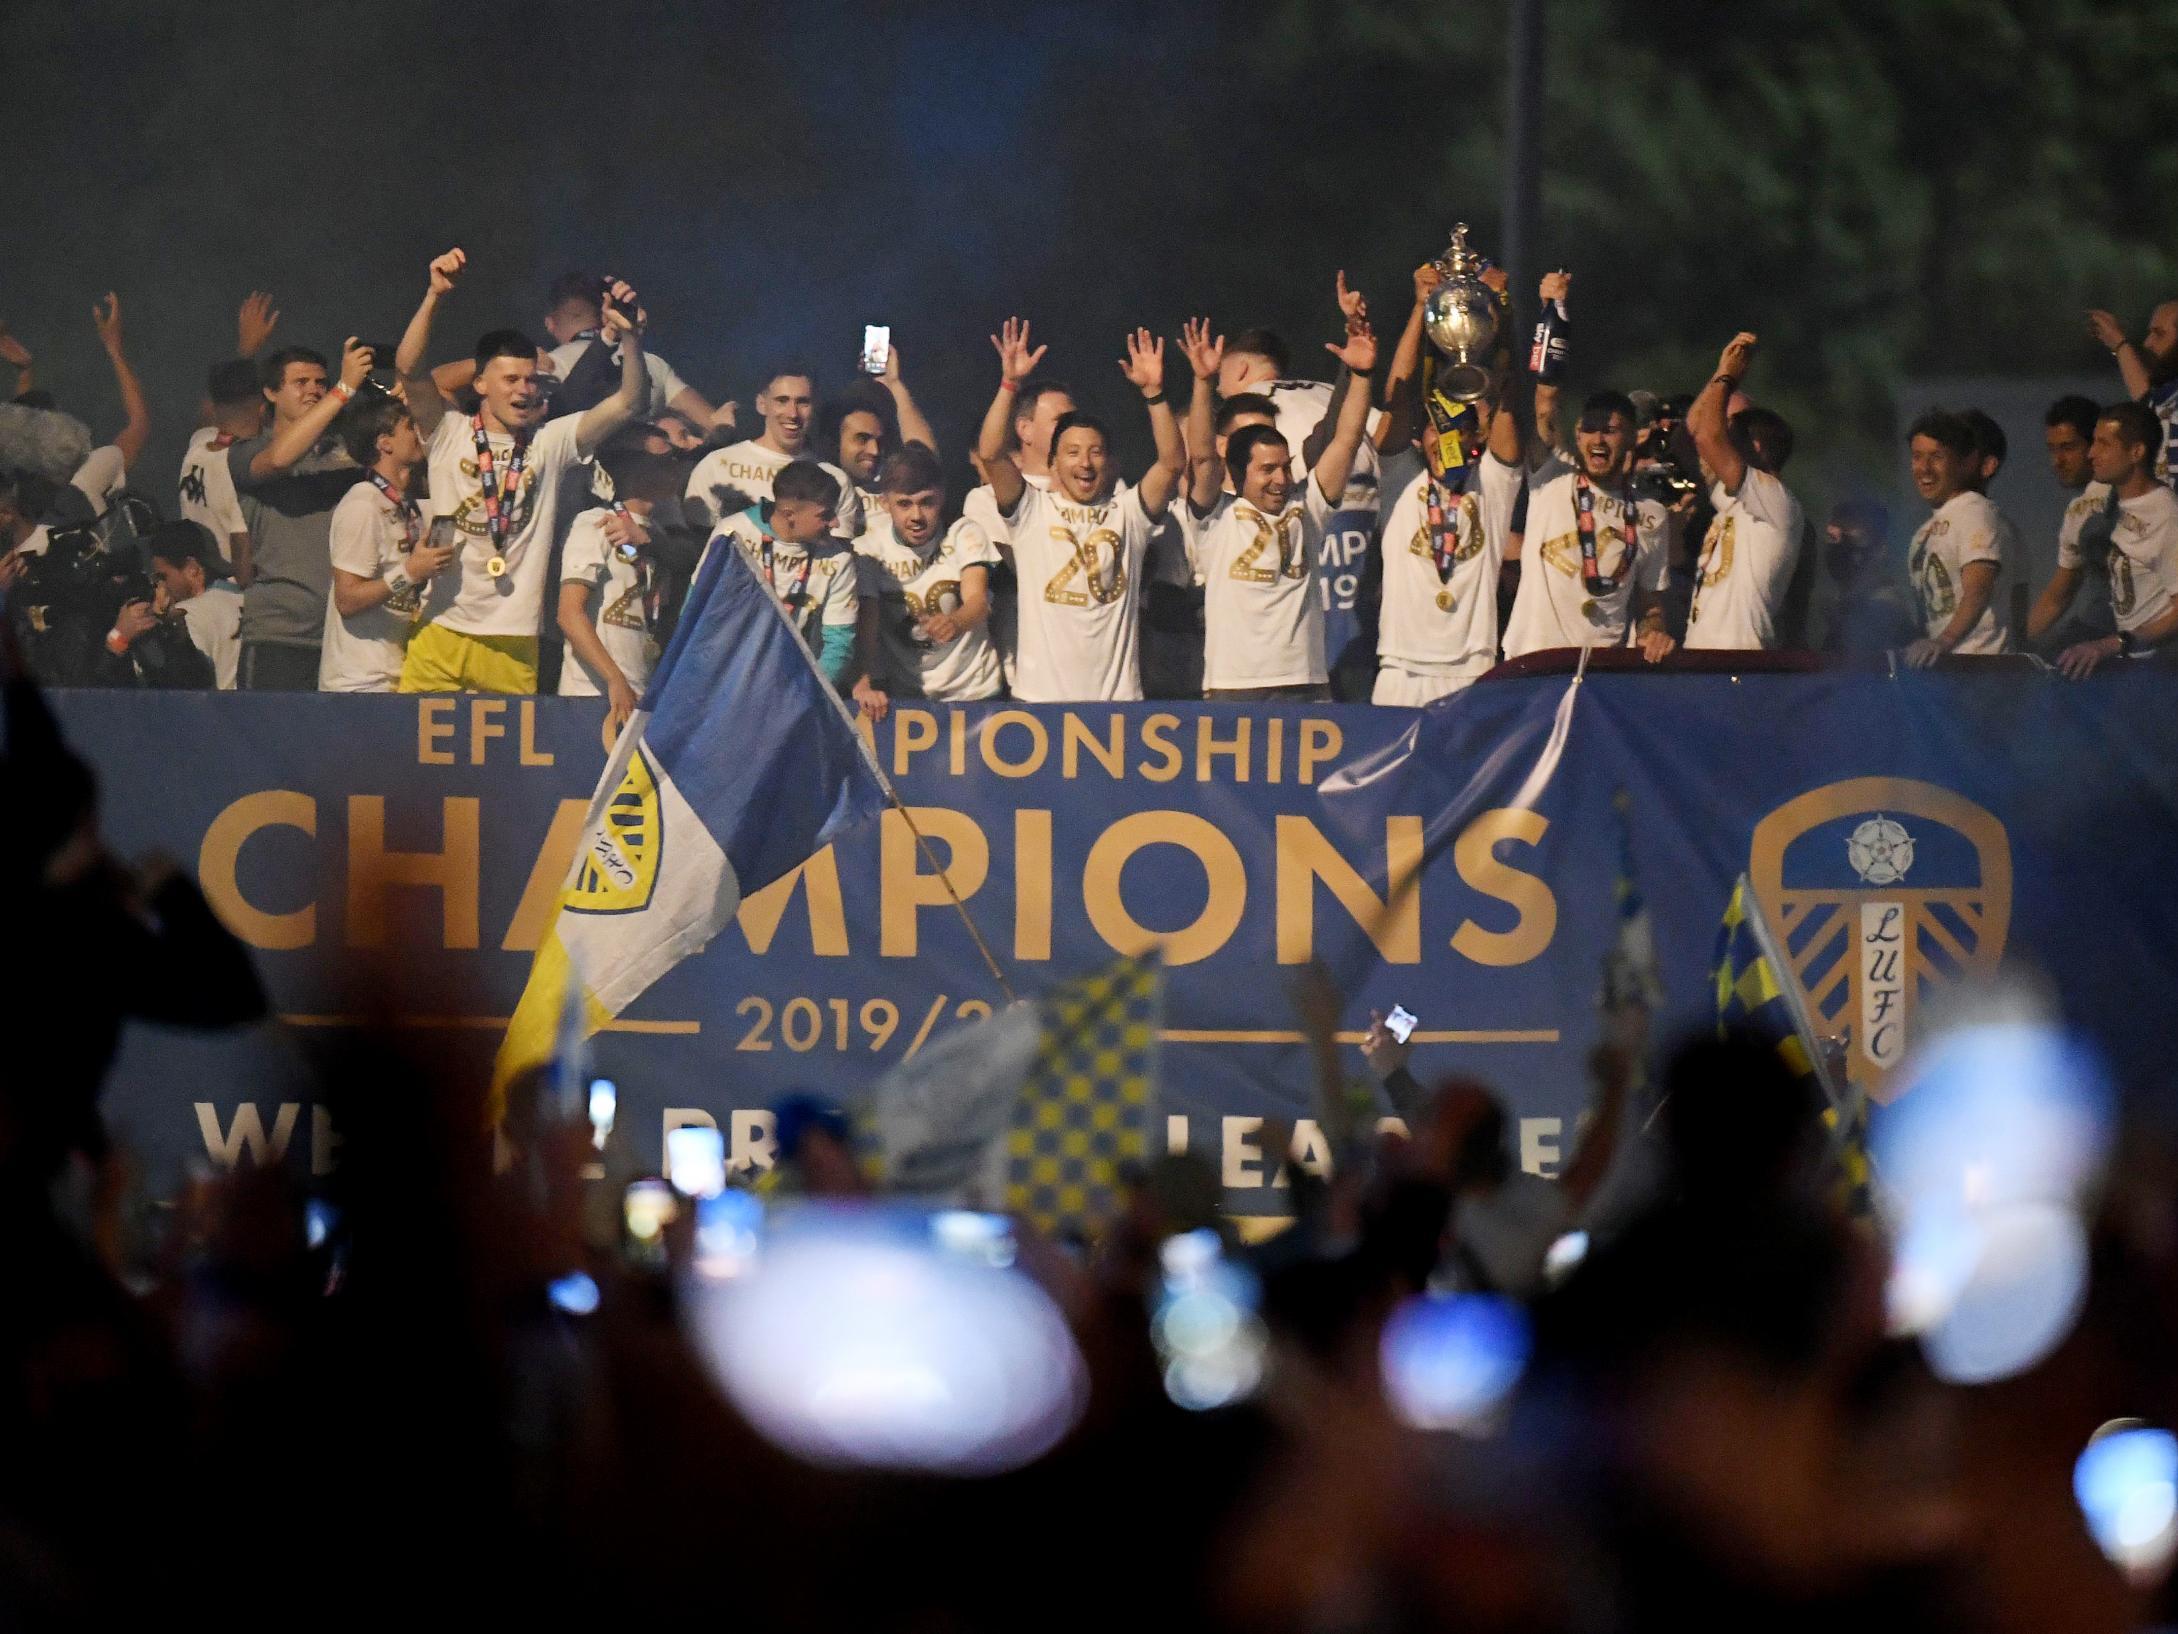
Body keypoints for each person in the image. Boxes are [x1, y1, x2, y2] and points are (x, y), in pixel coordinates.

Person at [393, 248, 654, 695]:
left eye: (530, 379)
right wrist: (434, 295)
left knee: (500, 766)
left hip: (514, 642)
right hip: (441, 630)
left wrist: (630, 338)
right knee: (414, 763)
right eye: (510, 379)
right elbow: (408, 369)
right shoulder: (447, 432)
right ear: (481, 385)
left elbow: (629, 402)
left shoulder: (549, 442)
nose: (523, 389)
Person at [974, 318, 1185, 702]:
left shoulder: (1129, 515)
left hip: (1116, 705)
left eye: (1095, 452)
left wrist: (1155, 394)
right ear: (1053, 465)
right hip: (1040, 703)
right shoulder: (1030, 511)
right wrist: (1009, 385)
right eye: (1072, 452)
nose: (1085, 463)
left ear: (1112, 463)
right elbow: (989, 452)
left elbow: (1171, 463)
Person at [1180, 296, 1378, 701]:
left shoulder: (1308, 510)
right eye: (1266, 470)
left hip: (1306, 685)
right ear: (1238, 471)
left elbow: (1345, 437)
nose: (1280, 480)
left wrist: (1361, 374)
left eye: (1284, 467)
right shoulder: (1216, 519)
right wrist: (1203, 384)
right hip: (1235, 688)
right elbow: (1201, 458)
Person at [1362, 261, 1527, 704]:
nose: (1448, 436)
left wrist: (1502, 313)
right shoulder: (1400, 480)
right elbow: (1397, 394)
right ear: (1422, 434)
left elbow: (1511, 402)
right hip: (1400, 670)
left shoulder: (1491, 486)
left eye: (1460, 425)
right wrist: (1420, 308)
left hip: (1472, 672)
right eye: (1439, 425)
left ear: (1478, 435)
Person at [226, 341, 372, 689]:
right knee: (271, 743)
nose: (314, 390)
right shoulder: (247, 451)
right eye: (301, 382)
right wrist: (345, 388)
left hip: (346, 634)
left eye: (321, 382)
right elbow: (279, 459)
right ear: (271, 392)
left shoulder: (348, 452)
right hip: (280, 635)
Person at [1503, 387, 1677, 661]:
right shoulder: (1551, 475)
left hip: (1600, 672)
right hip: (1533, 663)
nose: (1598, 438)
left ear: (1632, 437)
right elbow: (1545, 406)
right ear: (1577, 434)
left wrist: (1652, 633)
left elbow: (1650, 606)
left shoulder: (1652, 514)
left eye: (1610, 430)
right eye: (1590, 429)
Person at [850, 441, 1002, 718]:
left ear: (941, 497)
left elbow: (978, 602)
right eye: (904, 504)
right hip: (908, 696)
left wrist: (956, 622)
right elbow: (867, 626)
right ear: (884, 503)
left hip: (976, 691)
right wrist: (863, 683)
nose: (916, 516)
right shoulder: (868, 550)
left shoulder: (963, 532)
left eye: (926, 503)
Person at [2028, 401, 2178, 678]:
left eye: (2103, 444)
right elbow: (2058, 594)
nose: (2092, 453)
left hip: (2161, 674)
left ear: (2136, 452)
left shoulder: (2165, 514)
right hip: (2129, 667)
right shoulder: (2110, 510)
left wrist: (2114, 643)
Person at [318, 390, 455, 694]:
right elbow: (348, 600)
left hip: (398, 675)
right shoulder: (362, 505)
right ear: (385, 443)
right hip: (357, 683)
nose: (420, 433)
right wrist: (410, 573)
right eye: (410, 427)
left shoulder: (410, 507)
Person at [1683, 332, 1808, 650]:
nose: (1723, 447)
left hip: (1739, 665)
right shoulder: (1734, 501)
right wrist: (1720, 371)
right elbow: (1698, 428)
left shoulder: (1776, 502)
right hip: (1706, 667)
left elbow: (1707, 439)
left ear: (1756, 447)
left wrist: (1728, 377)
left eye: (1732, 438)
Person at [559, 448, 684, 729]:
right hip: (592, 693)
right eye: (663, 460)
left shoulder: (657, 536)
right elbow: (569, 614)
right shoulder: (594, 522)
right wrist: (614, 679)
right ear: (633, 470)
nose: (674, 466)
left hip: (640, 694)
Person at [711, 459, 860, 684]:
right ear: (789, 514)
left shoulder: (839, 558)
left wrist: (806, 694)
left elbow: (839, 643)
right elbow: (699, 612)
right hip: (730, 680)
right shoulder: (732, 534)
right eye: (825, 515)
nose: (836, 524)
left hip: (795, 686)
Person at [540, 271, 731, 432]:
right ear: (604, 313)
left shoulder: (545, 368)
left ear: (549, 324)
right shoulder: (651, 363)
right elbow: (716, 424)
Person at [683, 366, 861, 537]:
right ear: (761, 404)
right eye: (782, 401)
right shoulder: (716, 466)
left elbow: (835, 558)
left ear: (814, 407)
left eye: (802, 402)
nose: (793, 413)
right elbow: (700, 548)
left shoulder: (835, 480)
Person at [1903, 409, 2009, 664]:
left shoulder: (1974, 509)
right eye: (1917, 457)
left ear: (1964, 462)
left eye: (1936, 457)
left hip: (1980, 667)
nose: (1924, 469)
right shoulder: (1923, 532)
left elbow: (1978, 589)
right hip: (1945, 669)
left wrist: (1945, 641)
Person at [2035, 394, 2115, 649]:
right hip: (2097, 627)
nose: (2057, 461)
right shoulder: (2076, 510)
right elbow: (2059, 595)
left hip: (2127, 634)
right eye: (2052, 449)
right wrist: (2013, 646)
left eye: (2068, 448)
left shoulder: (2132, 491)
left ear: (2095, 445)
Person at [177, 360, 262, 570]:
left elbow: (208, 418)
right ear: (263, 407)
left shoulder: (197, 447)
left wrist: (244, 355)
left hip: (199, 581)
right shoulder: (254, 469)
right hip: (236, 590)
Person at [2087, 300, 2178, 485]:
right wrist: (2118, 343)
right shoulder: (2168, 398)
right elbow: (2147, 400)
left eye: (2159, 334)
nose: (2148, 343)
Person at [146, 521, 244, 689]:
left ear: (192, 568)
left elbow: (185, 684)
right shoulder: (252, 599)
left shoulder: (187, 614)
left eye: (163, 576)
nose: (161, 586)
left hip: (218, 712)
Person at [1815, 498, 1916, 656]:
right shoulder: (1844, 608)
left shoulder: (1884, 610)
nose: (1840, 548)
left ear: (1880, 550)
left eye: (1852, 539)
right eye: (1833, 539)